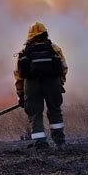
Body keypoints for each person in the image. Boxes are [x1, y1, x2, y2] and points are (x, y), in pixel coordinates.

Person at [14, 22, 68, 150]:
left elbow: (19, 75)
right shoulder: (54, 49)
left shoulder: (24, 52)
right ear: (45, 33)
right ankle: (60, 142)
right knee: (55, 111)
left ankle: (40, 143)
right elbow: (64, 68)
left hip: (32, 85)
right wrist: (60, 83)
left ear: (30, 35)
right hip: (52, 83)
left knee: (35, 114)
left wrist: (21, 93)